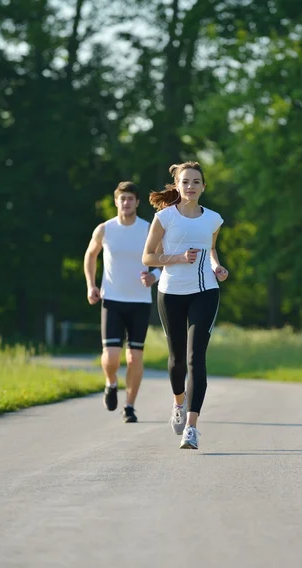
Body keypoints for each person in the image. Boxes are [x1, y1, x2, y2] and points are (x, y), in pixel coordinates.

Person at [142, 161, 228, 449]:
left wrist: (217, 267)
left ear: (203, 186)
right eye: (185, 182)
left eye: (196, 181)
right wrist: (178, 258)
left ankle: (191, 427)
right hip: (171, 293)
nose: (190, 186)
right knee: (177, 359)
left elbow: (212, 248)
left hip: (205, 291)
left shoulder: (213, 219)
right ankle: (178, 403)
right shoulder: (164, 218)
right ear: (177, 186)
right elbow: (148, 257)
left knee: (195, 358)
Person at [84, 181, 161, 423]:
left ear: (137, 202)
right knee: (112, 355)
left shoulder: (149, 229)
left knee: (134, 357)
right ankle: (111, 382)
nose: (126, 202)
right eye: (122, 198)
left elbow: (161, 259)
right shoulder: (105, 229)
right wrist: (91, 285)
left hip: (140, 302)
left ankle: (129, 406)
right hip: (112, 300)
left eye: (130, 198)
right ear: (115, 201)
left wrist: (154, 276)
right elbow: (90, 255)